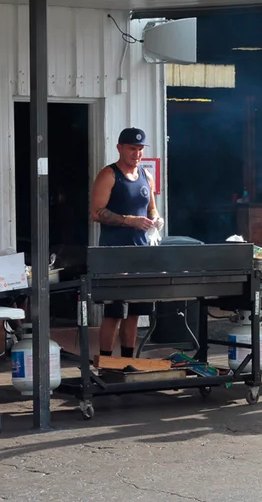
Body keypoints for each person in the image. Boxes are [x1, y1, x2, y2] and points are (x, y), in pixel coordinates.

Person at [89, 127, 164, 358]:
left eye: (140, 149)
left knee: (135, 313)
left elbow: (151, 207)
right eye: (132, 149)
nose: (137, 154)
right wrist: (127, 220)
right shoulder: (109, 175)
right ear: (120, 148)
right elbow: (96, 212)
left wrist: (156, 218)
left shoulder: (146, 176)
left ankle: (127, 361)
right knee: (114, 313)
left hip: (141, 255)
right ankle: (105, 362)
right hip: (115, 255)